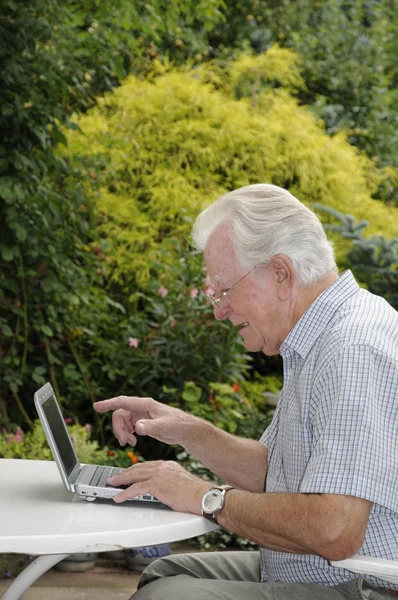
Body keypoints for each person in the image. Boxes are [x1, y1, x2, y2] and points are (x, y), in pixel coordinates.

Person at [94, 184, 398, 600]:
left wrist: (206, 497)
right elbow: (273, 473)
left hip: (364, 586)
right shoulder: (317, 337)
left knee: (165, 597)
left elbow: (335, 529)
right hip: (314, 569)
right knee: (163, 573)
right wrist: (185, 429)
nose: (219, 309)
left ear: (280, 273)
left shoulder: (352, 348)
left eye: (223, 289)